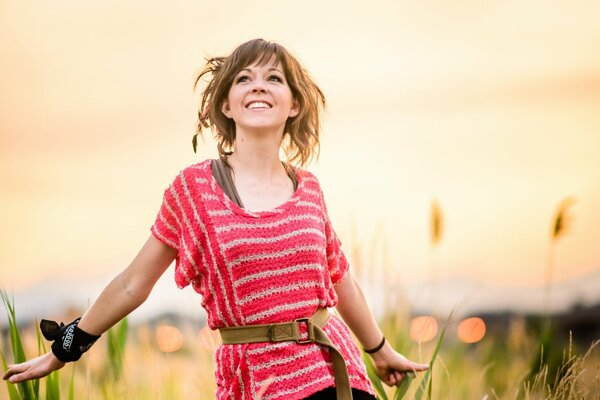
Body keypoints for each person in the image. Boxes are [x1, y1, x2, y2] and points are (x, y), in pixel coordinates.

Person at [3, 38, 428, 399]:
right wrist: (64, 348)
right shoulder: (193, 190)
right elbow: (134, 283)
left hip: (332, 373)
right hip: (256, 380)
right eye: (244, 78)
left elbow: (339, 278)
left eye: (273, 78)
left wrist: (379, 349)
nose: (258, 86)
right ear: (225, 102)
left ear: (294, 104)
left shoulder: (310, 189)